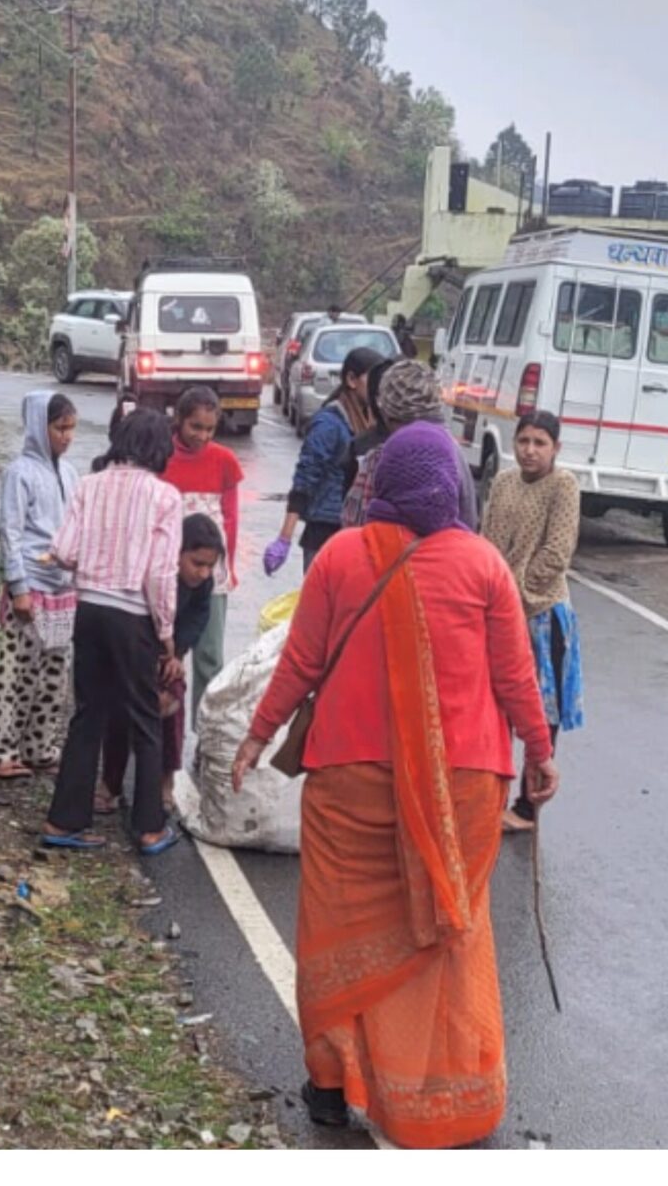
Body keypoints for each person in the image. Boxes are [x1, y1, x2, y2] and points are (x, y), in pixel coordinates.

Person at [231, 427, 555, 1148]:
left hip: (348, 779)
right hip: (463, 786)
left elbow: (301, 662)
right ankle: (442, 1095)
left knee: (337, 930)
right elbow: (514, 677)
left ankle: (329, 1085)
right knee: (441, 932)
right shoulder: (484, 566)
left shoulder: (342, 556)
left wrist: (257, 736)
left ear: (381, 484)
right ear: (455, 489)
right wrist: (540, 753)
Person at [40, 406, 184, 856]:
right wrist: (166, 633)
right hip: (132, 615)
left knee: (88, 714)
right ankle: (149, 827)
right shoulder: (165, 497)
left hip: (89, 609)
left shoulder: (89, 485)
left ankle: (64, 820)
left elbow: (64, 550)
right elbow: (160, 574)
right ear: (160, 448)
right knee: (145, 720)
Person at [481, 411, 584, 831]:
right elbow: (487, 542)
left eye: (540, 443)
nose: (530, 451)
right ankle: (491, 793)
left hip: (543, 611)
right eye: (524, 441)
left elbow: (556, 555)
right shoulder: (503, 482)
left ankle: (528, 806)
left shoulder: (563, 485)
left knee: (543, 710)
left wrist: (514, 594)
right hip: (498, 610)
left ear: (555, 448)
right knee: (496, 702)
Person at [99, 514, 224, 826]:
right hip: (136, 647)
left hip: (170, 651)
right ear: (177, 552)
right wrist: (151, 656)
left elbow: (197, 618)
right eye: (197, 563)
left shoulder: (203, 583)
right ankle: (110, 783)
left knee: (173, 706)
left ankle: (165, 781)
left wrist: (177, 655)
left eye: (209, 566)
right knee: (120, 713)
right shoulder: (155, 573)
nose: (203, 572)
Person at [0, 390, 80, 779]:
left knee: (55, 672)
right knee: (17, 670)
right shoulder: (19, 473)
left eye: (71, 428)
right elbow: (10, 531)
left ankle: (39, 746)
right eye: (60, 428)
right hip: (31, 585)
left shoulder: (69, 473)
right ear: (41, 427)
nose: (67, 436)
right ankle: (0, 749)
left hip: (62, 587)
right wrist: (18, 586)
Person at [269, 342, 388, 578]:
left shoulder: (370, 422)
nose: (378, 388)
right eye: (372, 380)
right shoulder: (329, 425)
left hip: (355, 534)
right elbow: (305, 479)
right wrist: (284, 537)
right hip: (324, 533)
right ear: (351, 380)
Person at [162, 383, 242, 719]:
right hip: (168, 571)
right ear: (179, 420)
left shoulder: (224, 461)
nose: (203, 436)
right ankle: (165, 726)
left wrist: (227, 568)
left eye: (210, 429)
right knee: (167, 651)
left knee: (209, 657)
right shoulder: (162, 456)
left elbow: (231, 518)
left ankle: (206, 730)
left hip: (212, 572)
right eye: (196, 427)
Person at [340, 354, 478, 532]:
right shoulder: (455, 453)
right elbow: (469, 521)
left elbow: (355, 525)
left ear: (385, 411)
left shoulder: (379, 458)